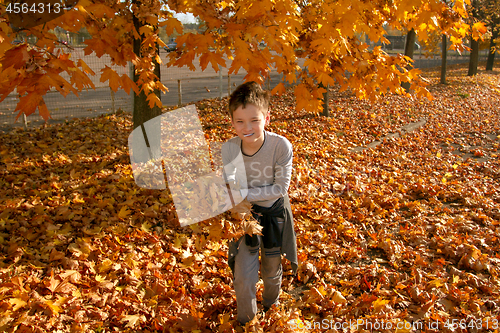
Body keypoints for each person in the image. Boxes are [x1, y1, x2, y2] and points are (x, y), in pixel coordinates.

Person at [221, 81, 298, 325]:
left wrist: (241, 193)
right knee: (243, 275)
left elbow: (279, 189)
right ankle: (247, 322)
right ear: (231, 122)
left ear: (266, 118)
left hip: (274, 215)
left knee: (271, 270)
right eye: (240, 122)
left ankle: (271, 304)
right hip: (245, 219)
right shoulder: (229, 148)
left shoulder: (280, 146)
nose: (247, 128)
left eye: (254, 120)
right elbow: (229, 185)